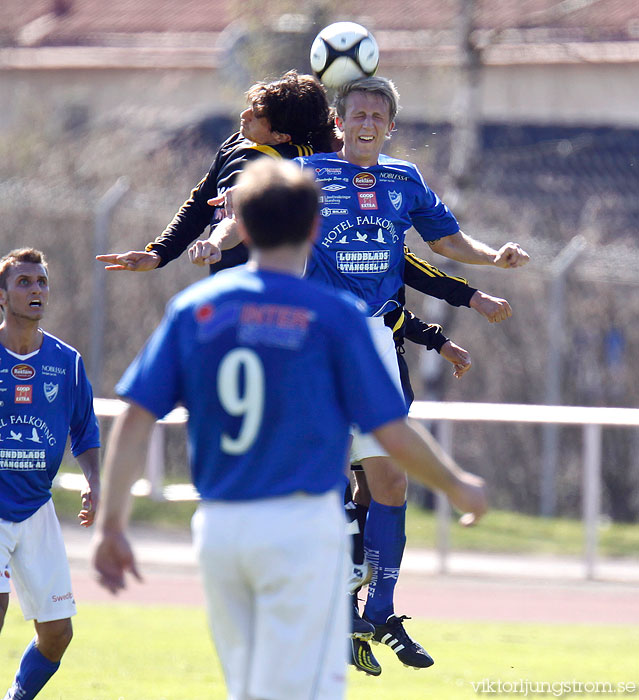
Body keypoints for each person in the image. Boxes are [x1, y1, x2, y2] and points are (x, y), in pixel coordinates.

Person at [91, 158, 487, 700]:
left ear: (242, 228)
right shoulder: (335, 316)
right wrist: (457, 484)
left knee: (251, 688)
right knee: (309, 689)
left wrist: (112, 525)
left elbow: (135, 420)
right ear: (313, 228)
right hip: (302, 523)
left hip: (223, 529)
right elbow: (391, 432)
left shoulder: (195, 310)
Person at [200, 75, 528, 671]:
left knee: (391, 483)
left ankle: (379, 605)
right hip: (315, 343)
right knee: (324, 481)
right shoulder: (313, 176)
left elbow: (446, 241)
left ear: (391, 126)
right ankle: (327, 602)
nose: (367, 123)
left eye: (378, 115)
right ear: (341, 121)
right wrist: (214, 239)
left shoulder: (405, 181)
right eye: (356, 114)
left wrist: (492, 257)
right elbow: (249, 218)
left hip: (375, 341)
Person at [95, 70, 337, 275]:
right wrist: (159, 252)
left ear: (281, 136)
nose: (245, 115)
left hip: (271, 290)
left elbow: (237, 218)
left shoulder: (296, 162)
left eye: (257, 115)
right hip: (225, 283)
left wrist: (215, 242)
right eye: (250, 107)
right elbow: (200, 205)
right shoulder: (234, 144)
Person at [0, 248, 100, 700]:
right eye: (24, 282)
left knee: (58, 634)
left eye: (41, 281)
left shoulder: (68, 361)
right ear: (2, 296)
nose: (36, 289)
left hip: (36, 507)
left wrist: (94, 483)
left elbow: (84, 430)